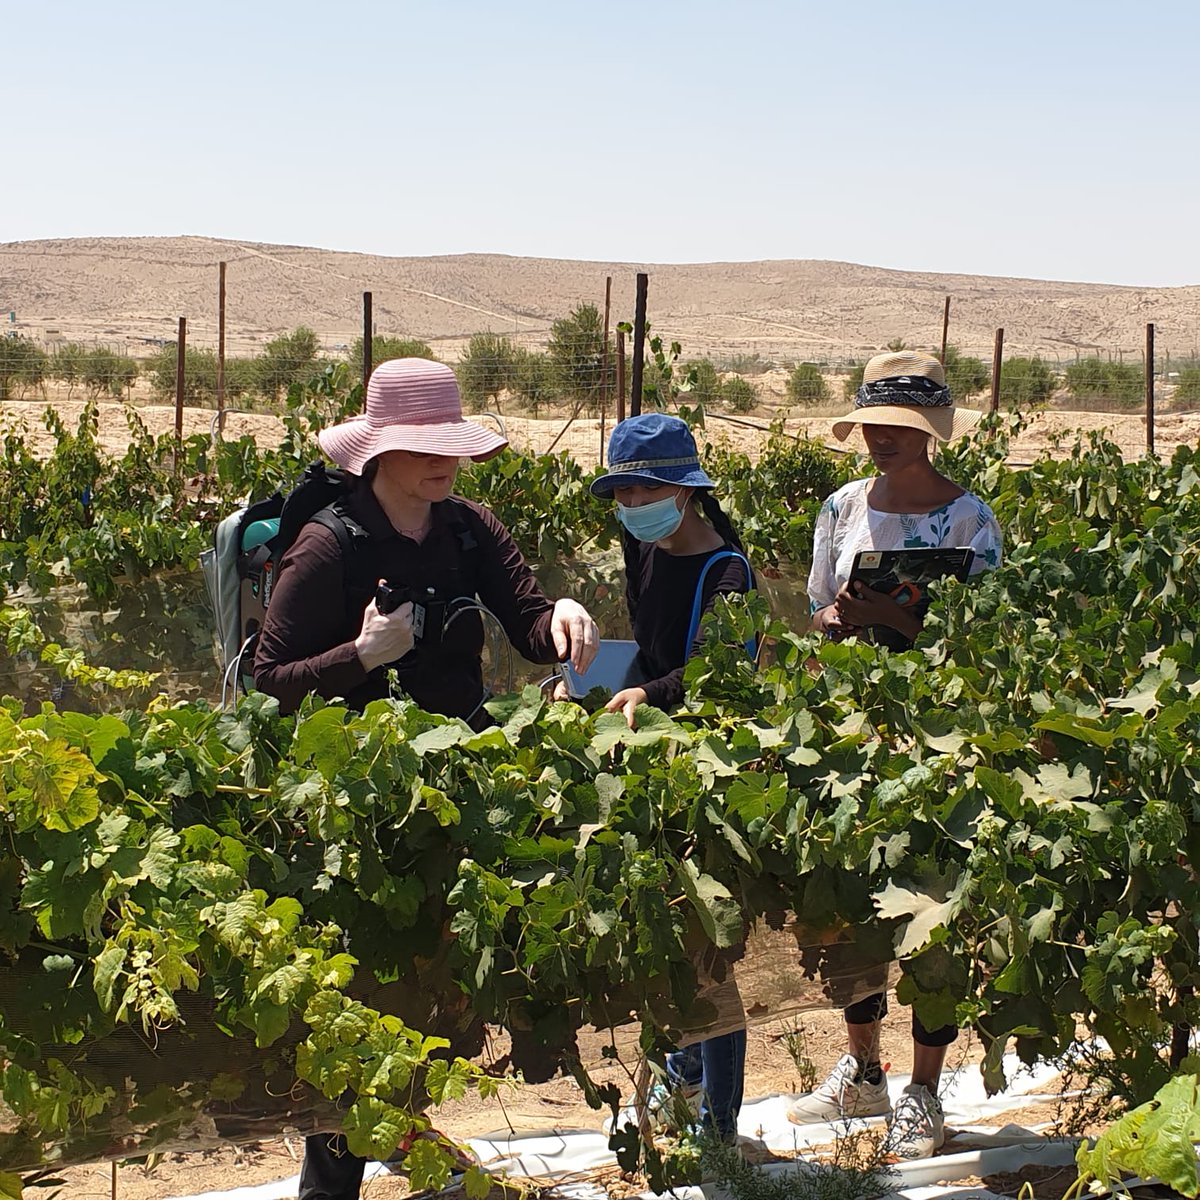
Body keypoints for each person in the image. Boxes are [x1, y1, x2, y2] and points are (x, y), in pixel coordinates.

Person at [254, 357, 599, 1200]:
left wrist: (559, 617)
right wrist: (360, 656)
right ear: (377, 453)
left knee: (427, 986)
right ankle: (334, 1185)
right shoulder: (327, 545)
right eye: (425, 447)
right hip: (357, 803)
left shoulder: (469, 528)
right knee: (363, 990)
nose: (446, 461)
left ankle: (404, 1142)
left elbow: (526, 621)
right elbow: (269, 681)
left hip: (455, 789)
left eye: (452, 444)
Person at [787, 350, 1002, 1159]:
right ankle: (865, 1072)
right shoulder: (841, 507)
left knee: (931, 909)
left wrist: (901, 623)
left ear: (932, 432)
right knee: (853, 903)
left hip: (941, 741)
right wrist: (836, 621)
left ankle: (924, 1090)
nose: (882, 439)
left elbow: (988, 643)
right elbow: (815, 610)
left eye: (900, 428)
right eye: (874, 425)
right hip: (849, 733)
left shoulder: (971, 522)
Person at [588, 412, 754, 1145]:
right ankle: (681, 1076)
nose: (631, 506)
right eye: (622, 494)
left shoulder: (726, 571)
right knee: (667, 938)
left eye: (644, 492)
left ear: (685, 492)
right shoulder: (642, 546)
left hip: (710, 766)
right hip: (654, 755)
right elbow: (650, 650)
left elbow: (721, 672)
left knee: (711, 952)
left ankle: (719, 1127)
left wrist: (649, 694)